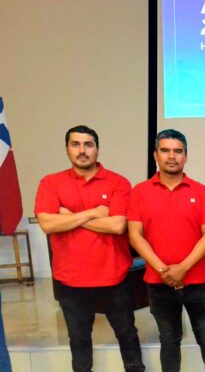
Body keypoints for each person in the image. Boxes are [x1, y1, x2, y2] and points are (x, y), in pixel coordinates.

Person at [34, 125, 144, 372]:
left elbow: (117, 225)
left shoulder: (118, 182)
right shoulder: (51, 182)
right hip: (70, 281)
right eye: (75, 144)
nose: (82, 151)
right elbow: (47, 222)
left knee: (127, 333)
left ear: (97, 149)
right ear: (67, 149)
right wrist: (95, 213)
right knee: (79, 340)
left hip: (114, 277)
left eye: (88, 144)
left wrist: (69, 216)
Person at [128, 129, 205, 372]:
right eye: (165, 150)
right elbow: (135, 235)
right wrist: (163, 269)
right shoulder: (140, 192)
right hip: (158, 282)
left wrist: (183, 268)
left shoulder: (200, 191)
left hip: (198, 282)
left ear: (186, 156)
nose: (172, 156)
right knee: (169, 340)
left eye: (178, 151)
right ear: (155, 155)